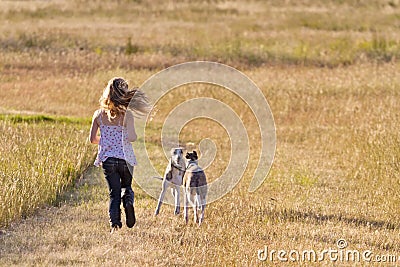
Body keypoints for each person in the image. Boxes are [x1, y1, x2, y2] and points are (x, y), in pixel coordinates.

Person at [89, 77, 150, 233]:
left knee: (114, 194)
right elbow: (132, 137)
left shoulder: (98, 114)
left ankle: (115, 225)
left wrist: (106, 141)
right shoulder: (126, 115)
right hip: (125, 159)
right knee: (127, 187)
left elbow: (92, 139)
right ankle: (128, 202)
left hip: (108, 160)